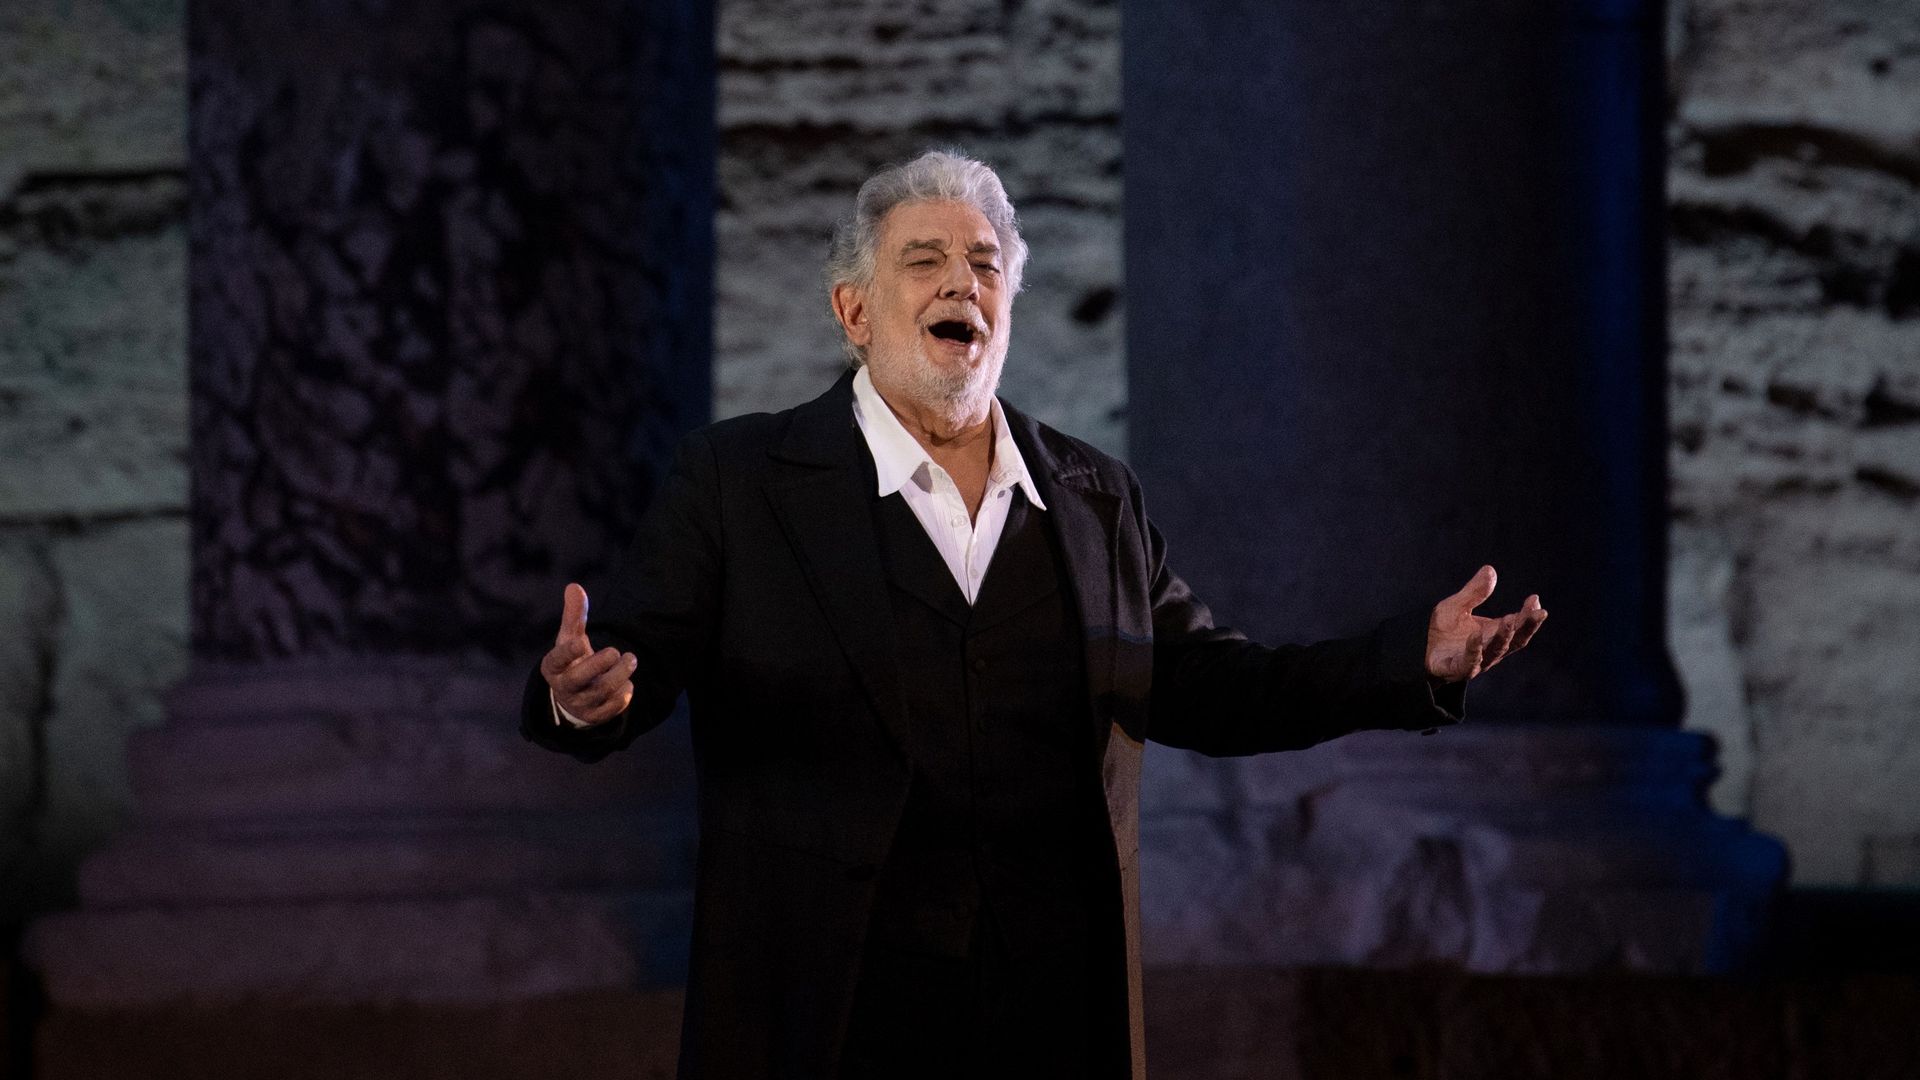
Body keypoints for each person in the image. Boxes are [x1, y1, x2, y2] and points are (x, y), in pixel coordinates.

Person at [520, 149, 1547, 1079]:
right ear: (855, 312)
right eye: (923, 261)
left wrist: (1411, 662)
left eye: (984, 262)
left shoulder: (1095, 498)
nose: (961, 280)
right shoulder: (738, 483)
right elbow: (632, 658)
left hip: (1053, 1009)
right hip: (830, 1007)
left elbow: (1217, 684)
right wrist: (587, 697)